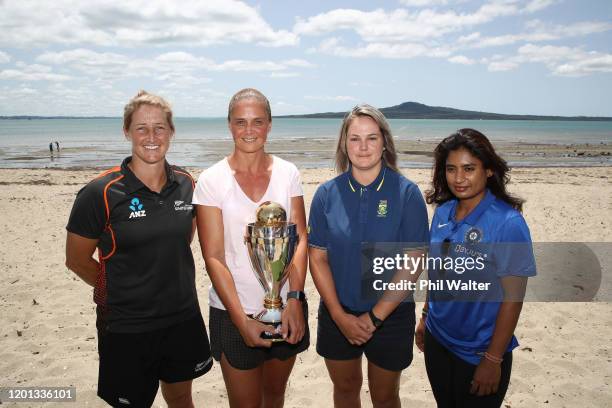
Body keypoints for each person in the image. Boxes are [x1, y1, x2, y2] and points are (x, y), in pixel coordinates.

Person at [65, 90, 212, 408]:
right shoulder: (99, 192)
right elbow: (76, 260)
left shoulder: (187, 183)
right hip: (128, 326)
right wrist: (117, 289)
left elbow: (180, 240)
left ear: (171, 132)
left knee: (182, 398)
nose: (151, 136)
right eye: (141, 127)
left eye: (160, 127)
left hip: (181, 317)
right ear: (126, 131)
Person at [193, 88, 309, 408]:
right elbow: (213, 257)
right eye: (240, 122)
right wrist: (241, 320)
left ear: (269, 125)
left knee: (274, 398)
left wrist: (295, 300)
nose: (248, 131)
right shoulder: (211, 180)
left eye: (257, 122)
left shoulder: (288, 174)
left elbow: (298, 240)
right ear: (229, 125)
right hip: (233, 311)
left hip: (286, 309)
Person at [308, 104, 430, 408]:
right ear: (343, 144)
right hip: (338, 313)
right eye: (355, 138)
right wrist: (339, 316)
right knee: (346, 390)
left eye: (372, 138)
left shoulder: (407, 193)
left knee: (385, 397)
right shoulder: (326, 194)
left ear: (385, 142)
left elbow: (413, 260)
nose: (363, 147)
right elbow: (317, 256)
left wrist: (374, 318)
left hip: (391, 316)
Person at [416, 128, 536, 408]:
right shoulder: (443, 212)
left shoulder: (508, 223)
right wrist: (425, 315)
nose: (459, 178)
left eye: (469, 169)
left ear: (489, 170)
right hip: (437, 340)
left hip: (479, 353)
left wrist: (493, 359)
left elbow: (513, 298)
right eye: (451, 169)